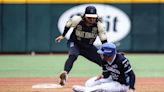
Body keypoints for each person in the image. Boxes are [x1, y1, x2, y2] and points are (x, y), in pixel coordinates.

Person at [55, 5, 107, 86]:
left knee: (104, 62)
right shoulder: (77, 20)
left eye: (93, 17)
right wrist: (63, 35)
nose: (92, 19)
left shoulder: (99, 25)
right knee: (73, 55)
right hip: (75, 43)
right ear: (85, 16)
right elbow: (68, 24)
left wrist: (106, 52)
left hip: (88, 47)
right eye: (89, 17)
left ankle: (108, 77)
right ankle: (65, 74)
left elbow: (104, 40)